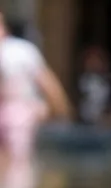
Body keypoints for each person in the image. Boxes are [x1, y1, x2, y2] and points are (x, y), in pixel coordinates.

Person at [0, 12, 70, 176]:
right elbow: (48, 83)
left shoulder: (19, 50)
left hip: (18, 113)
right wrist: (61, 111)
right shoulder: (22, 50)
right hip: (20, 114)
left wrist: (59, 110)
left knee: (15, 164)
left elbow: (47, 83)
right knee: (18, 166)